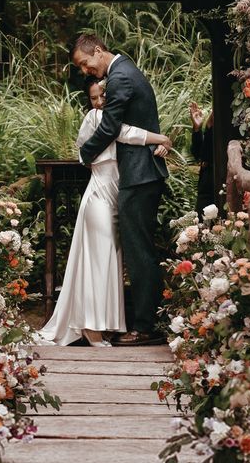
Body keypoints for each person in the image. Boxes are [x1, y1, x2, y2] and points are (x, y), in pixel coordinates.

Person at [38, 77, 170, 347]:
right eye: (93, 98)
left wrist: (161, 145)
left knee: (110, 260)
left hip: (116, 195)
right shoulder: (96, 118)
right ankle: (91, 327)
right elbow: (121, 134)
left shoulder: (117, 117)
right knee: (100, 261)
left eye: (103, 97)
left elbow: (130, 136)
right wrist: (163, 137)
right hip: (98, 196)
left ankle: (105, 324)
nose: (98, 103)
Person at [71, 34, 170, 346]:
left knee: (139, 251)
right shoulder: (123, 72)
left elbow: (112, 126)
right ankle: (144, 321)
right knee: (139, 249)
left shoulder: (121, 77)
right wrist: (157, 139)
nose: (85, 70)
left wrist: (85, 155)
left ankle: (146, 326)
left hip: (139, 176)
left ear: (98, 51)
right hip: (138, 172)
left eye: (85, 63)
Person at [189, 102, 214, 219]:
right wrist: (197, 129)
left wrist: (210, 127)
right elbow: (199, 154)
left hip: (218, 180)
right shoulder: (213, 119)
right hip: (207, 180)